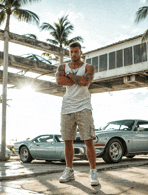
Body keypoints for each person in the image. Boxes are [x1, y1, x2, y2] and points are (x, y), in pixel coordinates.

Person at [55, 42, 99, 186]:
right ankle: (69, 170)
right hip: (67, 107)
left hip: (84, 106)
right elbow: (58, 81)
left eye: (76, 51)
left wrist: (69, 76)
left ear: (80, 52)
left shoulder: (88, 67)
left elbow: (85, 82)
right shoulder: (62, 67)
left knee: (88, 140)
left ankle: (93, 172)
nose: (73, 54)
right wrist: (76, 78)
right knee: (68, 141)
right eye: (71, 52)